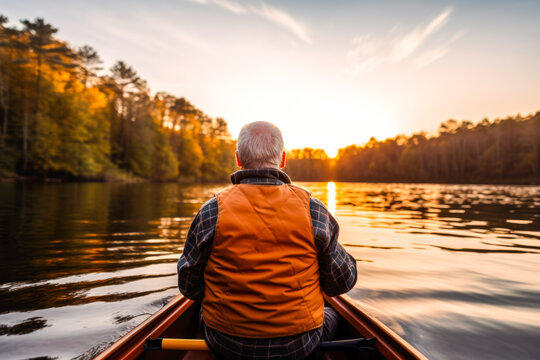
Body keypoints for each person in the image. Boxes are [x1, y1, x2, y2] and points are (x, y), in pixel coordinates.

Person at [177, 121, 357, 360]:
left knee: (200, 312)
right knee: (333, 314)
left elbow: (188, 284)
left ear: (238, 158)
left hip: (225, 342)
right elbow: (341, 284)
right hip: (299, 344)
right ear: (282, 159)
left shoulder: (212, 211)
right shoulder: (313, 210)